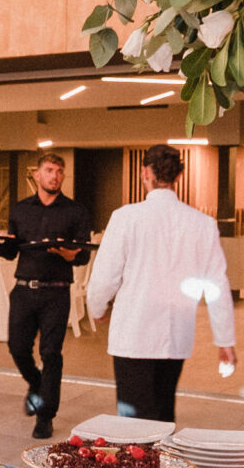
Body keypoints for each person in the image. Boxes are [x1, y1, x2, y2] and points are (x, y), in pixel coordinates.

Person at [84, 144, 235, 422]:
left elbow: (104, 276)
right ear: (178, 177)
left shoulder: (125, 217)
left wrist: (97, 309)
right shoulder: (202, 223)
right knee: (164, 411)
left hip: (134, 332)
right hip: (175, 333)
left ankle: (144, 462)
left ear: (145, 173)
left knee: (133, 420)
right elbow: (216, 283)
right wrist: (224, 339)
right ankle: (164, 463)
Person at [0, 151, 93, 440]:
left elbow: (83, 256)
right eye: (49, 170)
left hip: (56, 293)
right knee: (17, 347)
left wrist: (67, 254)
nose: (55, 176)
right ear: (37, 174)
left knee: (51, 353)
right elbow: (12, 251)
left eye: (59, 171)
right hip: (23, 290)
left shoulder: (76, 212)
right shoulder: (20, 210)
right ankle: (36, 384)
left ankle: (45, 416)